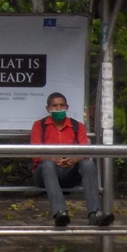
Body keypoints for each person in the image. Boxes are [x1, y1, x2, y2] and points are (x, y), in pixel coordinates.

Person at [30, 92, 114, 227]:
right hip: (46, 174)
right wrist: (54, 159)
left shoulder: (77, 126)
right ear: (48, 108)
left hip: (70, 171)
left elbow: (85, 152)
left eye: (61, 105)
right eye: (55, 106)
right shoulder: (39, 125)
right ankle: (60, 213)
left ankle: (94, 214)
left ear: (67, 107)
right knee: (47, 165)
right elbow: (35, 154)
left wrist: (73, 160)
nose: (58, 108)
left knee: (88, 165)